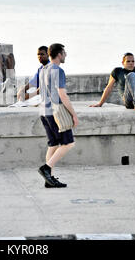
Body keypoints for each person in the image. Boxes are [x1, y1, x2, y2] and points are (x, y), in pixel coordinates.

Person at [37, 43, 79, 188]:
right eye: (64, 53)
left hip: (43, 112)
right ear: (59, 54)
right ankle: (46, 168)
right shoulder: (58, 70)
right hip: (56, 112)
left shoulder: (43, 69)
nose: (66, 55)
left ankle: (49, 180)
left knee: (53, 145)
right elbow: (62, 94)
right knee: (69, 143)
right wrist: (73, 114)